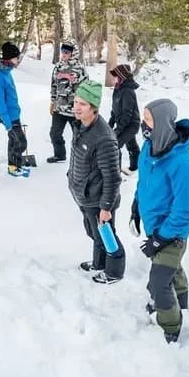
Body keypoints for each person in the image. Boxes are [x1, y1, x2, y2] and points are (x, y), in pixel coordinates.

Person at [130, 98, 189, 342]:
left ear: (162, 123)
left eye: (148, 119)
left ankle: (171, 329)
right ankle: (182, 302)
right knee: (173, 269)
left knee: (158, 284)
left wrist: (160, 240)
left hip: (173, 233)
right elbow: (143, 183)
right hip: (155, 227)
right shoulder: (149, 149)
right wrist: (136, 207)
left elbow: (183, 212)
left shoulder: (183, 164)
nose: (143, 124)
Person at [68, 79, 124, 283]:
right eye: (75, 102)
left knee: (106, 236)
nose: (76, 107)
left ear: (94, 108)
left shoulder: (103, 138)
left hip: (99, 199)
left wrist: (106, 207)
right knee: (94, 233)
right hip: (85, 195)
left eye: (82, 104)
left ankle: (114, 271)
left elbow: (113, 177)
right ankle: (98, 263)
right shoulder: (81, 126)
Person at [0, 42, 30, 177]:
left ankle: (14, 166)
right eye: (16, 58)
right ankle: (14, 167)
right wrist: (8, 125)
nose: (17, 60)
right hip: (8, 117)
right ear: (9, 58)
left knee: (15, 141)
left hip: (14, 114)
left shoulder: (7, 72)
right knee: (20, 142)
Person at [46, 41, 87, 164]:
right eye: (62, 51)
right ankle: (60, 155)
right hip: (59, 108)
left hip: (74, 110)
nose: (63, 54)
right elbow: (54, 85)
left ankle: (82, 159)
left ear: (73, 54)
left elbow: (85, 89)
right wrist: (53, 102)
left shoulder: (80, 68)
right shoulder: (58, 67)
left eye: (67, 52)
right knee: (54, 134)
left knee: (79, 137)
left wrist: (83, 107)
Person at [108, 63, 140, 172]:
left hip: (131, 124)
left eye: (115, 76)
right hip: (123, 123)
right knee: (132, 145)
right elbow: (114, 110)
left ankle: (115, 173)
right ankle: (136, 167)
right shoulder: (117, 89)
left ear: (121, 77)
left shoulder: (128, 92)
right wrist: (109, 126)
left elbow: (127, 114)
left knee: (115, 145)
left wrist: (118, 129)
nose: (113, 78)